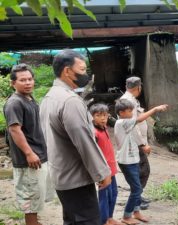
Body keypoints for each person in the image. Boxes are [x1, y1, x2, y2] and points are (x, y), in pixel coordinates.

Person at [39, 49, 111, 225]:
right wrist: (102, 172)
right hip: (77, 179)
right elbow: (84, 141)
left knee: (72, 221)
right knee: (88, 221)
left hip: (61, 175)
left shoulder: (49, 97)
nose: (86, 74)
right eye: (82, 69)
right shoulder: (69, 101)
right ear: (67, 71)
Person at [4, 63, 52, 225]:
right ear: (13, 83)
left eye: (30, 79)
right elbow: (14, 130)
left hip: (38, 155)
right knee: (30, 197)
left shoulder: (29, 98)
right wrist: (29, 153)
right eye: (22, 80)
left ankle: (35, 221)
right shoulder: (15, 103)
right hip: (28, 159)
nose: (28, 83)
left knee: (37, 194)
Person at [114, 99, 167, 224]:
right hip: (126, 162)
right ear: (121, 113)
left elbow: (136, 135)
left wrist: (143, 145)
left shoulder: (127, 123)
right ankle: (126, 216)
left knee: (137, 187)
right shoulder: (122, 122)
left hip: (133, 159)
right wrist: (155, 109)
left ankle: (136, 212)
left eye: (132, 110)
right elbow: (140, 119)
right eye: (129, 111)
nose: (132, 113)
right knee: (137, 189)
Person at [120, 76, 152, 209]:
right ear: (138, 88)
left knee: (139, 171)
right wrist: (143, 144)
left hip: (134, 142)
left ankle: (137, 196)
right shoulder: (128, 102)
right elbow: (132, 126)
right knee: (143, 171)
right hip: (134, 143)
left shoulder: (130, 100)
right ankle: (135, 200)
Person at [89, 103, 122, 225]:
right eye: (98, 115)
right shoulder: (95, 133)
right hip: (103, 171)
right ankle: (103, 221)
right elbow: (93, 154)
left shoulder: (104, 128)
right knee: (104, 196)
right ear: (92, 117)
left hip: (111, 169)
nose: (103, 118)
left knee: (114, 194)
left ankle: (110, 217)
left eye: (105, 115)